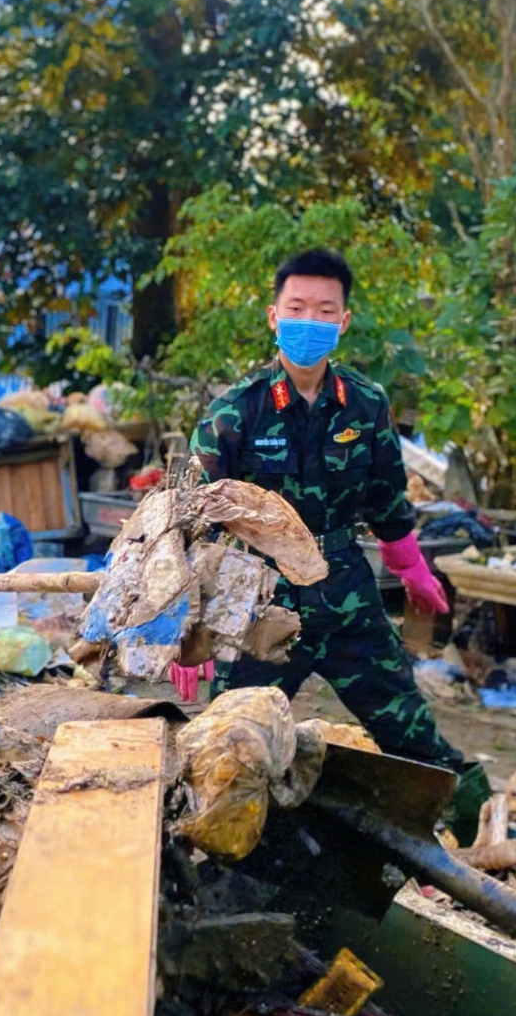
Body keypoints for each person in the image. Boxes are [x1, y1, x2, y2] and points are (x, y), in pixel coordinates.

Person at [189, 248, 494, 842]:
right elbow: (194, 520)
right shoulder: (234, 412)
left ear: (343, 322)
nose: (310, 320)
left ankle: (459, 833)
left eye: (324, 310)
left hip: (344, 587)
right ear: (273, 316)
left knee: (405, 725)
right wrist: (187, 622)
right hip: (261, 598)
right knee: (231, 737)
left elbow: (386, 497)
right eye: (297, 307)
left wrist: (412, 569)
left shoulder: (366, 403)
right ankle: (216, 852)